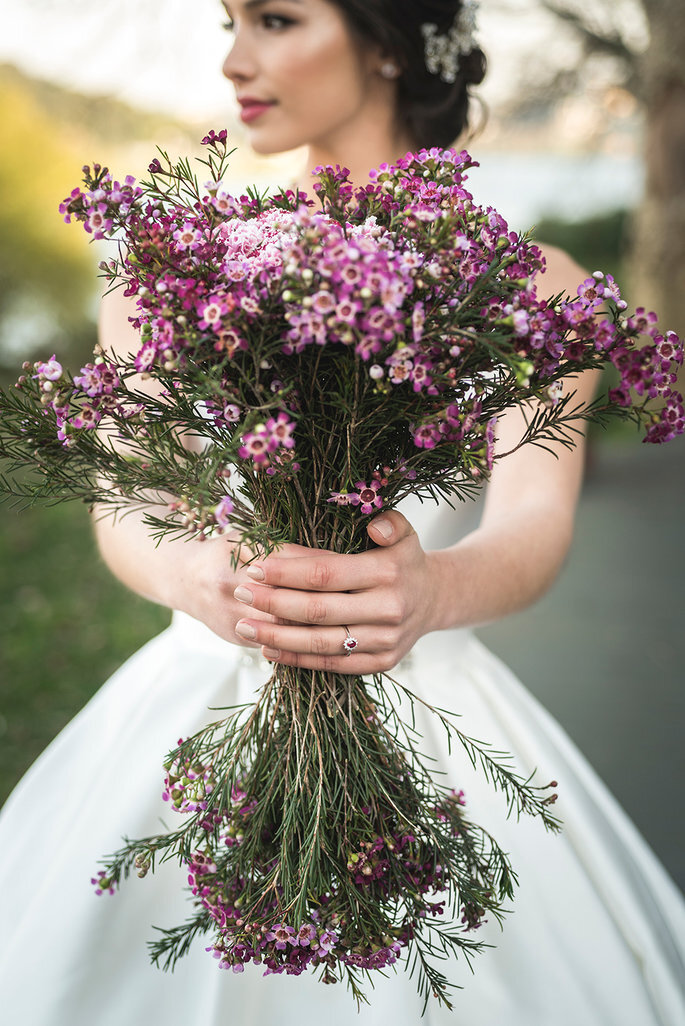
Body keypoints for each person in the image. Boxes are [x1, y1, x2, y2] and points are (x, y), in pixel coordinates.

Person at [0, 2, 683, 1023]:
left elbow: (533, 524)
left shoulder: (536, 290)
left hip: (429, 708)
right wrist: (199, 579)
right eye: (229, 21)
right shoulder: (172, 269)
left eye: (275, 18)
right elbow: (125, 501)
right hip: (195, 701)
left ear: (384, 36)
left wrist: (430, 586)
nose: (235, 59)